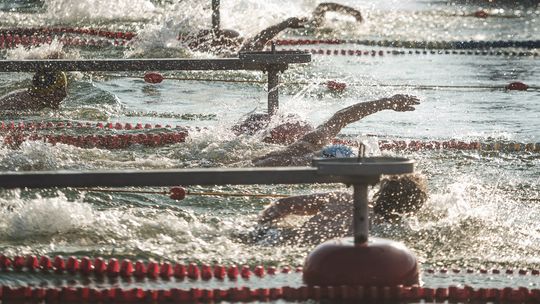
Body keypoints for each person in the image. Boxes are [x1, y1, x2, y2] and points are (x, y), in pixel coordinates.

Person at [254, 173, 428, 245]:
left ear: (379, 192)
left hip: (274, 240)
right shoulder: (393, 235)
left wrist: (260, 230)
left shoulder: (344, 199)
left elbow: (283, 205)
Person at [250, 94, 420, 166]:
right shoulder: (312, 140)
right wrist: (387, 102)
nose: (304, 123)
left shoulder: (313, 140)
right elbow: (342, 116)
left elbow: (342, 117)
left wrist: (387, 102)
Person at [179, 2, 363, 54]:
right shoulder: (240, 49)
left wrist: (285, 24)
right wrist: (285, 24)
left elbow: (259, 39)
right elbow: (260, 39)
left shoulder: (233, 46)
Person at [0, 70, 68, 111]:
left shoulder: (37, 99)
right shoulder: (19, 103)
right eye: (60, 90)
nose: (65, 95)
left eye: (64, 89)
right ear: (44, 92)